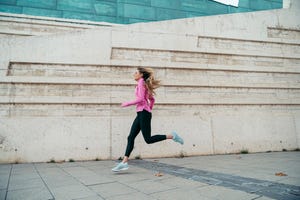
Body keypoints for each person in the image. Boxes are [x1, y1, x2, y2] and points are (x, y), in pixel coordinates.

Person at [112, 67, 184, 172]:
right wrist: (149, 107)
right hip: (141, 113)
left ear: (141, 75)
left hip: (143, 114)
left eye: (136, 72)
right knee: (130, 137)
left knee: (148, 139)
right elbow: (151, 99)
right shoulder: (143, 84)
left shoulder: (141, 82)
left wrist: (127, 103)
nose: (134, 74)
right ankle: (124, 162)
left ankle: (172, 136)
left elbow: (141, 99)